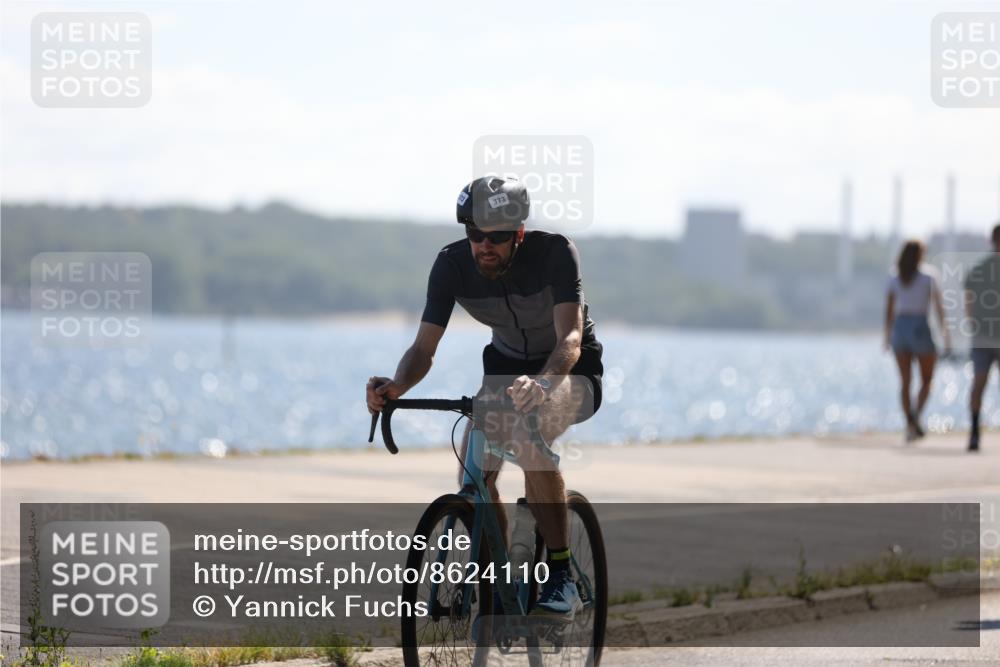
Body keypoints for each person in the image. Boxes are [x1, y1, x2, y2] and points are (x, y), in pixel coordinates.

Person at [365, 175, 603, 619]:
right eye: (475, 234)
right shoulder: (451, 265)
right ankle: (500, 583)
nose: (484, 245)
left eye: (496, 237)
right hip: (504, 373)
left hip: (568, 371)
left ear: (518, 233)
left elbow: (570, 338)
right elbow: (423, 349)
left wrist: (543, 384)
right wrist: (397, 386)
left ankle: (561, 575)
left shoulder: (555, 253)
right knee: (475, 471)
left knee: (528, 440)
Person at [884, 240, 949, 443]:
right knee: (927, 379)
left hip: (900, 327)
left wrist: (887, 336)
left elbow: (889, 310)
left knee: (905, 381)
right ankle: (915, 416)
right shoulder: (929, 276)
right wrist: (945, 333)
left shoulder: (895, 276)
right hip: (920, 326)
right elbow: (938, 307)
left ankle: (910, 423)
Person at [964, 223, 1000, 452]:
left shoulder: (979, 268)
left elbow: (968, 299)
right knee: (979, 384)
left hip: (982, 336)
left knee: (978, 384)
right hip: (984, 337)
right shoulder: (980, 269)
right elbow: (969, 298)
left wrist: (973, 322)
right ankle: (975, 432)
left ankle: (975, 433)